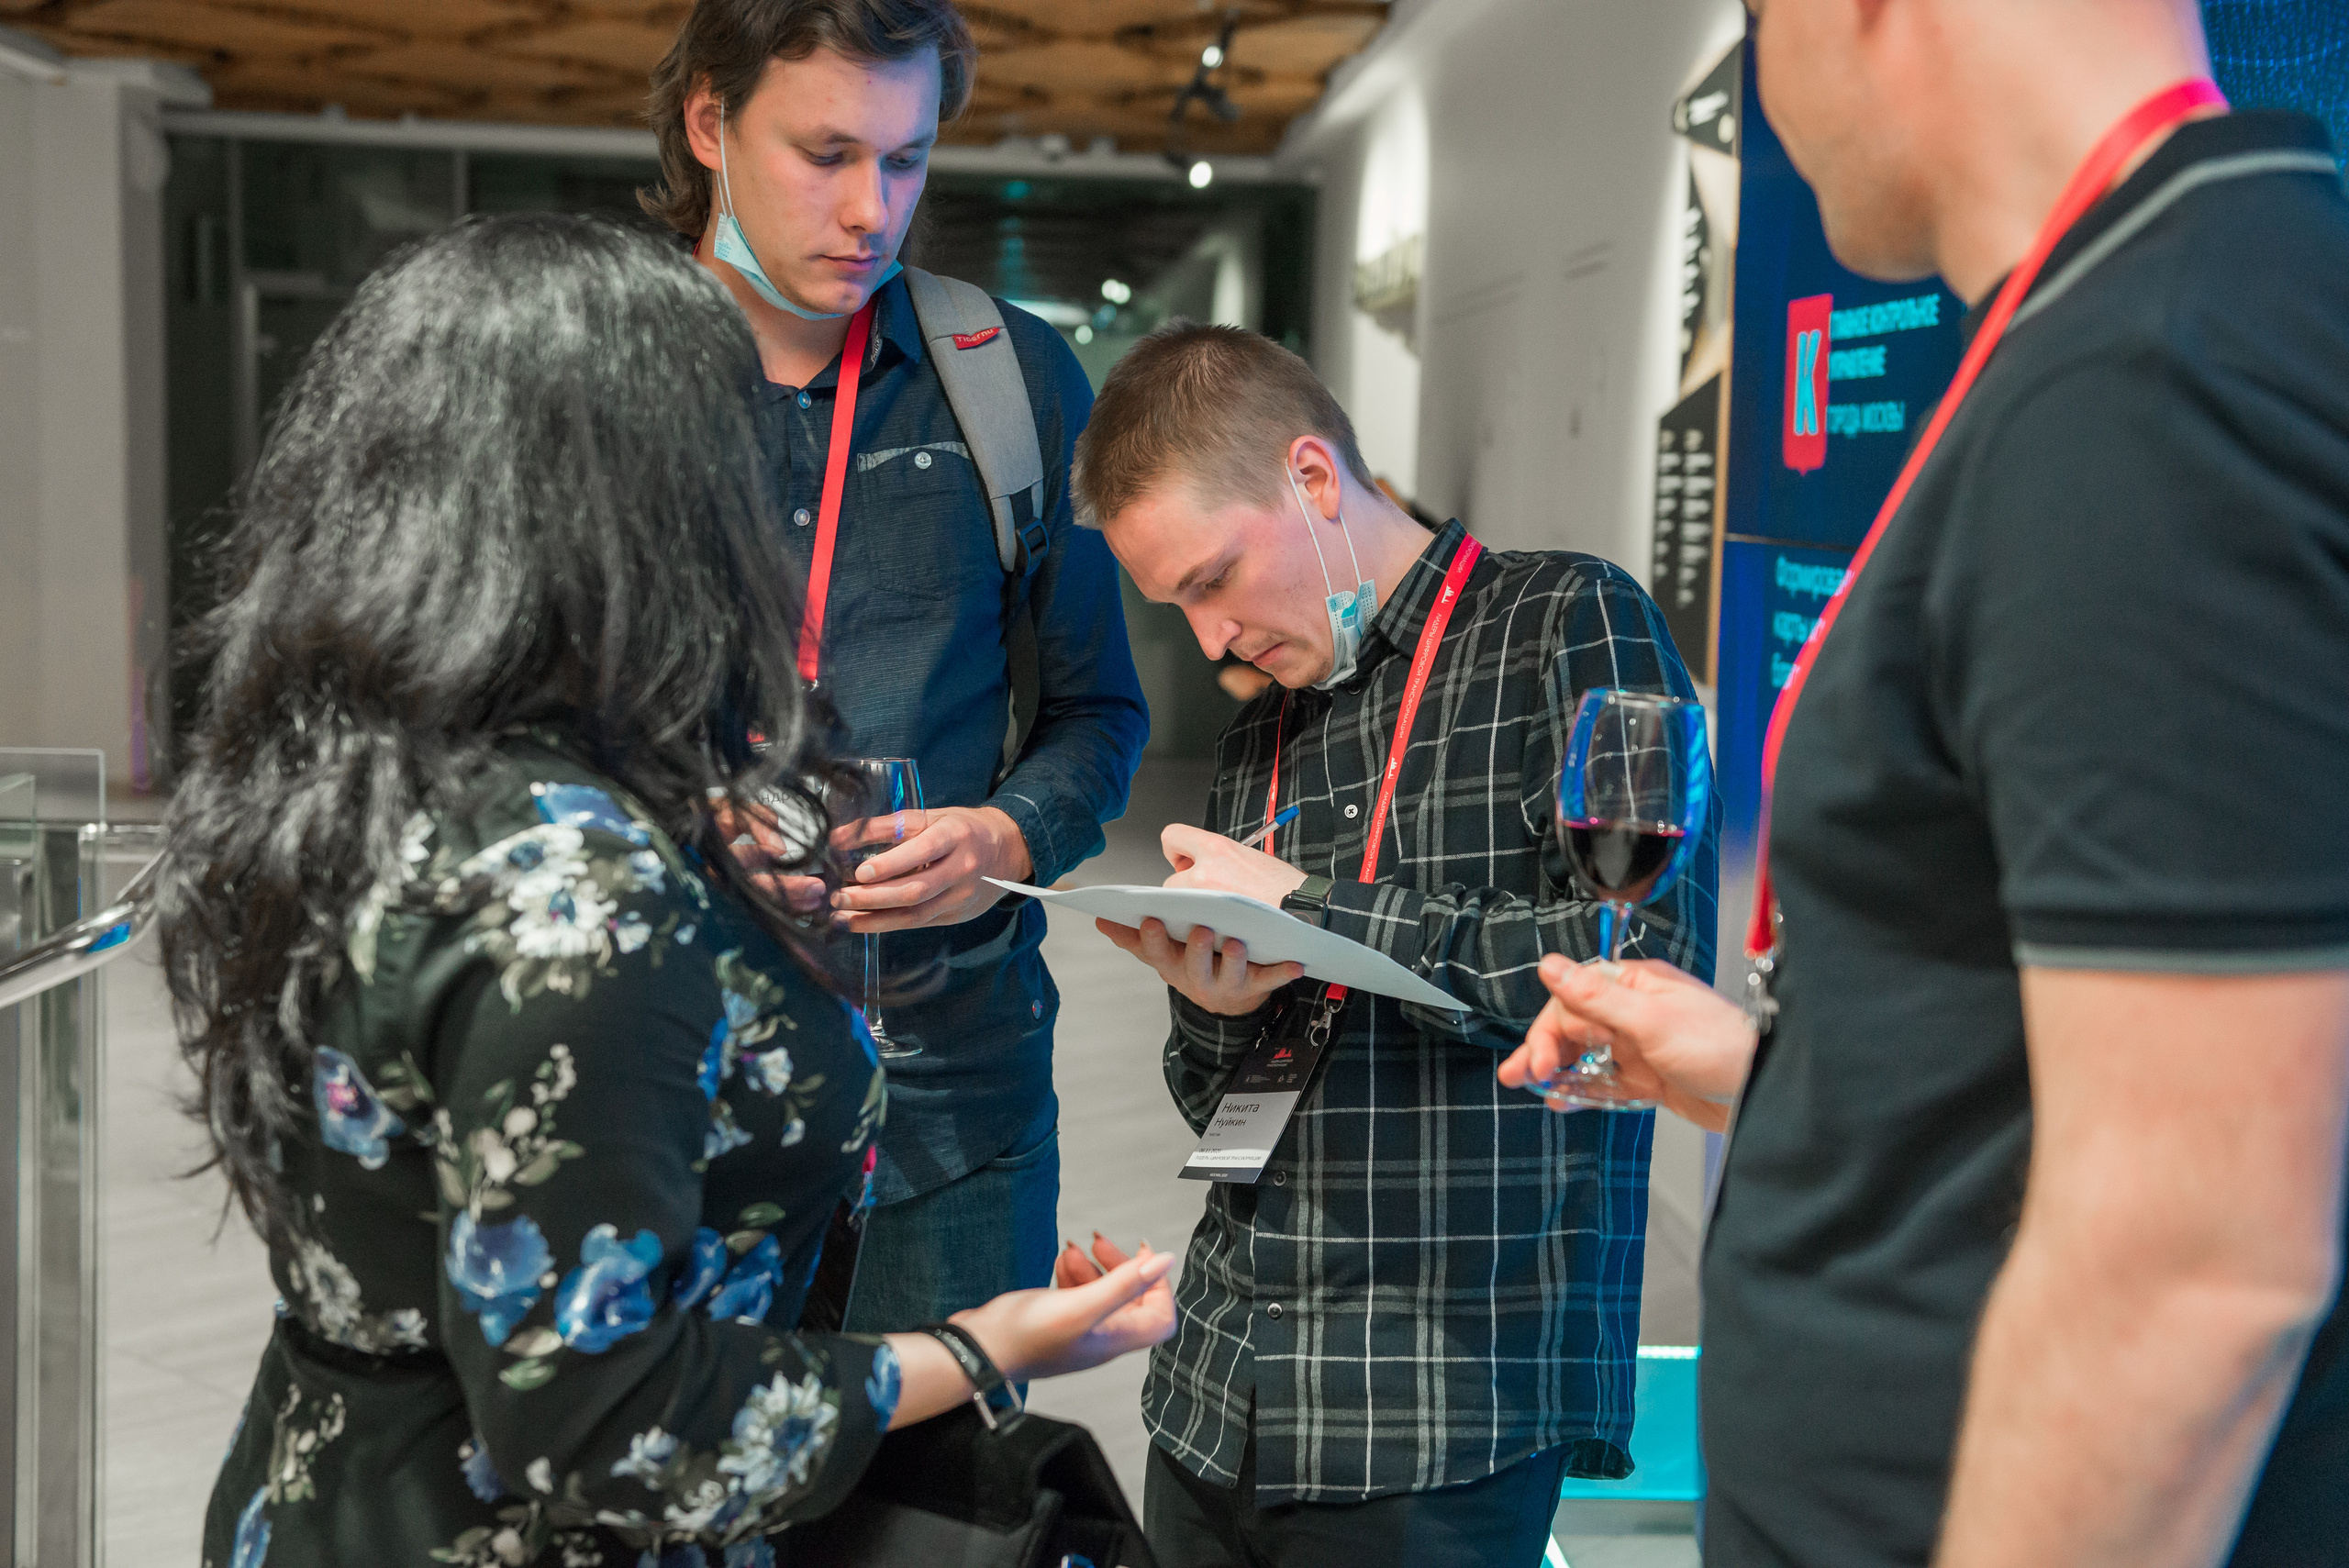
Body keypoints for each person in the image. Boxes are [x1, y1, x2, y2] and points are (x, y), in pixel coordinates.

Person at [159, 214, 1174, 1568]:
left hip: (326, 1484)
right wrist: (982, 1346)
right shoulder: (575, 889)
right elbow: (614, 1423)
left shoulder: (336, 783)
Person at [1499, 3, 2349, 1564]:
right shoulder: (2162, 310)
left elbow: (2195, 1260)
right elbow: (2094, 1078)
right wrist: (1788, 1081)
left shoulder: (2152, 377)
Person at [1060, 322, 1720, 1568]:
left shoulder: (1568, 623)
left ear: (1312, 481)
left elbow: (1640, 969)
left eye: (1210, 580)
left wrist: (1308, 908)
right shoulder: (1268, 730)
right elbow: (1221, 1098)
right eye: (1175, 606)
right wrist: (1214, 999)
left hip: (1437, 1401)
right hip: (1222, 1387)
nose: (1208, 642)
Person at [640, 0, 1150, 1333]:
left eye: (908, 158)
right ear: (708, 121)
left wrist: (1005, 830)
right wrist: (679, 828)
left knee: (949, 1524)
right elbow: (481, 736)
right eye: (826, 154)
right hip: (669, 1094)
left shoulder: (1011, 378)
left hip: (952, 1109)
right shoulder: (593, 383)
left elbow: (1099, 715)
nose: (875, 208)